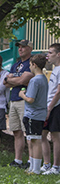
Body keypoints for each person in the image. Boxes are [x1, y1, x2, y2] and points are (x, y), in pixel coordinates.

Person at [3, 40, 34, 169]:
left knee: (28, 132)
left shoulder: (31, 63)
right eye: (19, 47)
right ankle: (18, 160)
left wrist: (14, 80)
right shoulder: (16, 65)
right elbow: (6, 82)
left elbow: (24, 80)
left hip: (24, 100)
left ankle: (32, 160)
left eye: (23, 47)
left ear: (30, 49)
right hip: (14, 98)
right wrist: (18, 81)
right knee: (16, 130)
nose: (20, 49)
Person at [19, 54, 49, 175]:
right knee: (31, 140)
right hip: (39, 113)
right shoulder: (43, 79)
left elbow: (30, 99)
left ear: (34, 65)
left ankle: (36, 169)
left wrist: (22, 95)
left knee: (35, 141)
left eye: (30, 65)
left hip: (33, 114)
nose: (29, 67)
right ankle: (32, 167)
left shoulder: (35, 80)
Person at [41, 43, 60, 175]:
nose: (48, 55)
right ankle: (46, 164)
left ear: (58, 54)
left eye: (51, 53)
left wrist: (50, 108)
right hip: (48, 105)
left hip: (56, 107)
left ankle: (56, 167)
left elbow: (58, 92)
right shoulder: (55, 69)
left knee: (55, 137)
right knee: (42, 134)